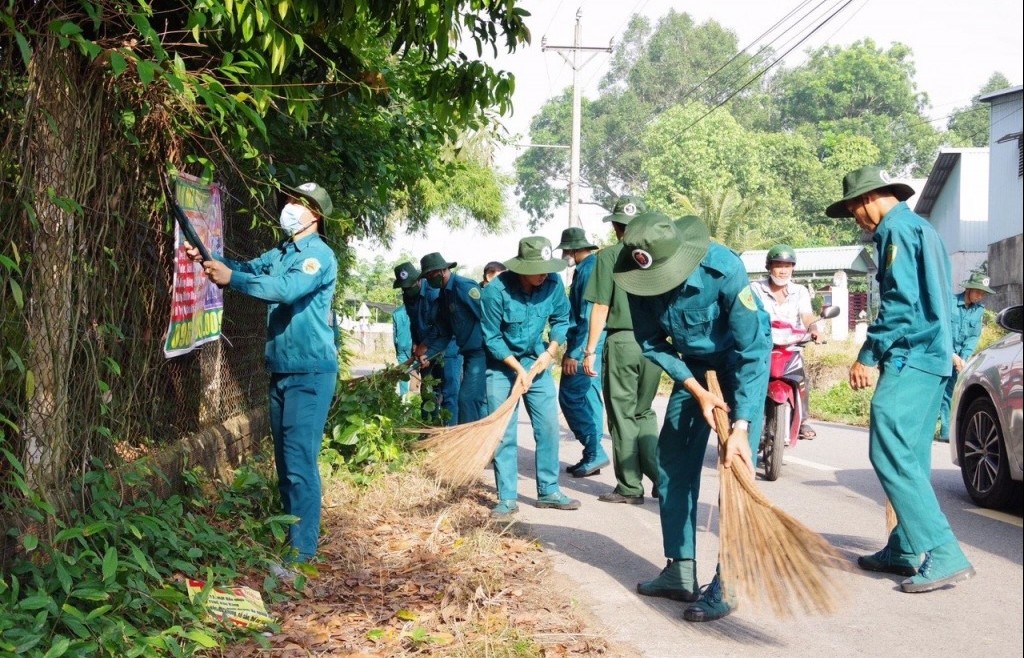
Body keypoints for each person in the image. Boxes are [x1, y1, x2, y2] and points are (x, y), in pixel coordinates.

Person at [613, 212, 770, 622]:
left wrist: (741, 425)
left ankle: (730, 581)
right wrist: (696, 390)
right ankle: (679, 570)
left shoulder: (723, 268)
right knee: (672, 466)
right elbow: (650, 340)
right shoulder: (634, 273)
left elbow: (755, 350)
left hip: (739, 368)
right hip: (695, 372)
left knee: (734, 471)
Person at [826, 165, 974, 593]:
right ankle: (906, 546)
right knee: (911, 454)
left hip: (911, 355)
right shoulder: (922, 228)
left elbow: (901, 303)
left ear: (866, 200)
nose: (856, 220)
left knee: (888, 449)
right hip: (933, 358)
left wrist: (868, 353)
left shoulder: (894, 230)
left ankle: (943, 551)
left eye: (853, 211)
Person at [188, 182, 338, 571]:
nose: (289, 207)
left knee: (299, 461)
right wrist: (208, 259)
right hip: (282, 368)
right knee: (286, 462)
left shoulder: (317, 256)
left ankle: (302, 555)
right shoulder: (285, 250)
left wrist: (231, 279)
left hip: (310, 371)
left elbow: (285, 290)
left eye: (298, 203)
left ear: (315, 215)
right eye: (288, 200)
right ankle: (294, 542)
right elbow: (251, 270)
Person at [481, 236, 581, 521]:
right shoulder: (496, 292)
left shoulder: (552, 285)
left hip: (538, 362)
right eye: (538, 269)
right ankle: (507, 498)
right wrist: (518, 369)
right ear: (521, 267)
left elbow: (563, 320)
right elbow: (492, 337)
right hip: (502, 366)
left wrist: (550, 352)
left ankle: (548, 491)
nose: (544, 274)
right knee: (504, 432)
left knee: (548, 426)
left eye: (547, 268)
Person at [582, 195, 661, 504]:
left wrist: (589, 351)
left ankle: (630, 486)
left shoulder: (608, 257)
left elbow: (601, 306)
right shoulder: (661, 255)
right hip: (655, 345)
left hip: (623, 342)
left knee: (622, 416)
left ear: (616, 226)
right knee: (645, 413)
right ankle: (662, 479)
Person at [750, 244, 819, 441]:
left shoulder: (800, 291)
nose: (782, 270)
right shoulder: (755, 289)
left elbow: (806, 316)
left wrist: (814, 330)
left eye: (787, 266)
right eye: (778, 265)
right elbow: (747, 312)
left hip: (790, 346)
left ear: (793, 268)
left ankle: (803, 420)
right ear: (768, 267)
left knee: (801, 377)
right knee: (747, 375)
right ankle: (742, 413)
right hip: (761, 346)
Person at [555, 227, 609, 477]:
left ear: (575, 249)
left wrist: (576, 353)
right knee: (590, 398)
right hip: (595, 344)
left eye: (566, 250)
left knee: (570, 396)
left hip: (587, 344)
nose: (564, 255)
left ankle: (594, 451)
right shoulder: (591, 267)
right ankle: (592, 455)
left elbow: (587, 317)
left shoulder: (588, 270)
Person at [415, 252, 488, 423]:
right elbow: (445, 332)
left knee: (467, 400)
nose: (427, 280)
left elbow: (487, 318)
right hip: (468, 353)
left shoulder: (464, 288)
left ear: (440, 271)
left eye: (428, 275)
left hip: (482, 352)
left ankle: (469, 443)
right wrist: (429, 354)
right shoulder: (444, 296)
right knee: (472, 401)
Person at [936, 270, 993, 442]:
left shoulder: (979, 311)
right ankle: (941, 431)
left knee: (953, 393)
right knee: (938, 393)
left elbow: (973, 336)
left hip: (960, 359)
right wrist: (952, 355)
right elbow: (941, 330)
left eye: (983, 293)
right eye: (977, 291)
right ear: (968, 289)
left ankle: (947, 432)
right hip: (941, 353)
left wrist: (964, 358)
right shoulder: (949, 303)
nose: (980, 296)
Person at [407, 260, 462, 426]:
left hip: (447, 349)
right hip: (424, 350)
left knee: (449, 393)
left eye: (409, 286)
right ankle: (429, 430)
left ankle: (450, 435)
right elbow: (413, 322)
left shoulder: (434, 292)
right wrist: (416, 345)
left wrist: (426, 348)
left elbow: (440, 326)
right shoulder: (408, 296)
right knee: (428, 392)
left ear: (418, 280)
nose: (407, 290)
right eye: (404, 288)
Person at [391, 261, 420, 397]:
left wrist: (397, 348)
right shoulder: (415, 308)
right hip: (413, 344)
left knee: (403, 371)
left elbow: (394, 334)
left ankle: (403, 397)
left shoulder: (396, 313)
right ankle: (415, 393)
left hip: (402, 345)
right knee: (418, 368)